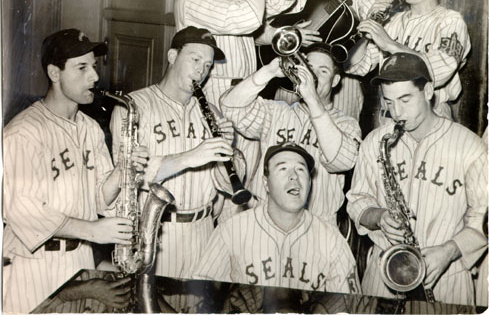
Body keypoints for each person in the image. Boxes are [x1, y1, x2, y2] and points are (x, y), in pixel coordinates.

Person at [2, 29, 149, 313]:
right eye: (81, 68)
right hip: (34, 265)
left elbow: (98, 199)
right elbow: (19, 209)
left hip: (79, 260)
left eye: (93, 66)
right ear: (54, 73)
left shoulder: (90, 128)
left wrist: (122, 171)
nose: (94, 76)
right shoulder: (23, 133)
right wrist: (93, 230)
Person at [109, 26, 240, 312]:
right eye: (194, 59)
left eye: (207, 65)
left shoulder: (213, 114)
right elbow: (129, 179)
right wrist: (189, 156)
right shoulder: (133, 107)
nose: (201, 71)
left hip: (205, 233)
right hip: (157, 235)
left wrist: (230, 152)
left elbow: (230, 186)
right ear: (171, 56)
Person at [346, 53, 487, 305]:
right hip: (384, 274)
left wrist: (449, 251)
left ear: (429, 91)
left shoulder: (470, 146)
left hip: (446, 278)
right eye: (388, 101)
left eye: (405, 99)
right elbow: (357, 201)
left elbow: (483, 219)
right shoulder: (374, 142)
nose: (396, 112)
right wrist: (377, 216)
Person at [257, 0, 392, 120]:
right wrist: (290, 36)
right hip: (290, 87)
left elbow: (377, 21)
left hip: (342, 89)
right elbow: (256, 30)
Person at [220, 43, 361, 226]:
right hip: (265, 221)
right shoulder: (276, 111)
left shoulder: (346, 124)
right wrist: (268, 71)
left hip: (316, 227)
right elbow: (230, 107)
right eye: (308, 68)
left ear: (335, 81)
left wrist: (312, 98)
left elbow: (341, 161)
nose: (313, 76)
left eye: (323, 71)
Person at [193, 142, 361, 295]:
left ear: (310, 182)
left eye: (301, 169)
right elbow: (202, 298)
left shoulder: (332, 240)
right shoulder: (230, 231)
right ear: (266, 183)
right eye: (283, 169)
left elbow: (350, 306)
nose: (294, 176)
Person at [347, 0, 471, 121]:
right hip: (389, 118)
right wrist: (364, 35)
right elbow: (358, 66)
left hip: (431, 116)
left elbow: (439, 70)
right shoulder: (394, 20)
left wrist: (390, 44)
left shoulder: (450, 20)